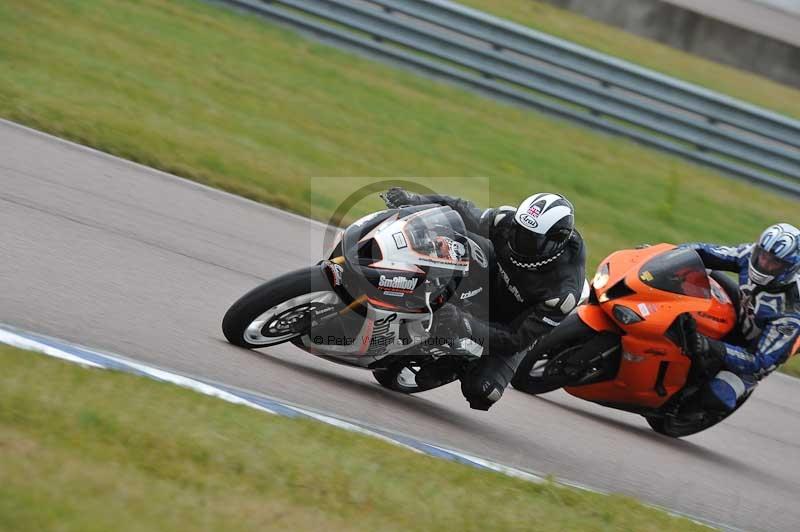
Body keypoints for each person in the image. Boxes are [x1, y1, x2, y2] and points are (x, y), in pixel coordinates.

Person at [383, 187, 587, 410]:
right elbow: (460, 210)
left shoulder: (563, 290)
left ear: (555, 243)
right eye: (520, 230)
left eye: (530, 239)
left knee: (482, 392)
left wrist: (463, 323)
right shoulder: (507, 222)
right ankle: (397, 277)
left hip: (510, 324)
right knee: (451, 237)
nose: (518, 240)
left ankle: (453, 361)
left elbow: (516, 340)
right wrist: (416, 200)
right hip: (491, 277)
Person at [682, 223, 800, 413]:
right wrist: (665, 253)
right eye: (763, 255)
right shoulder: (751, 254)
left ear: (790, 267)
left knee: (715, 398)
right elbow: (705, 252)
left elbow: (758, 361)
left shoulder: (790, 312)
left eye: (774, 262)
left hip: (753, 352)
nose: (764, 264)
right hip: (742, 314)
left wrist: (710, 345)